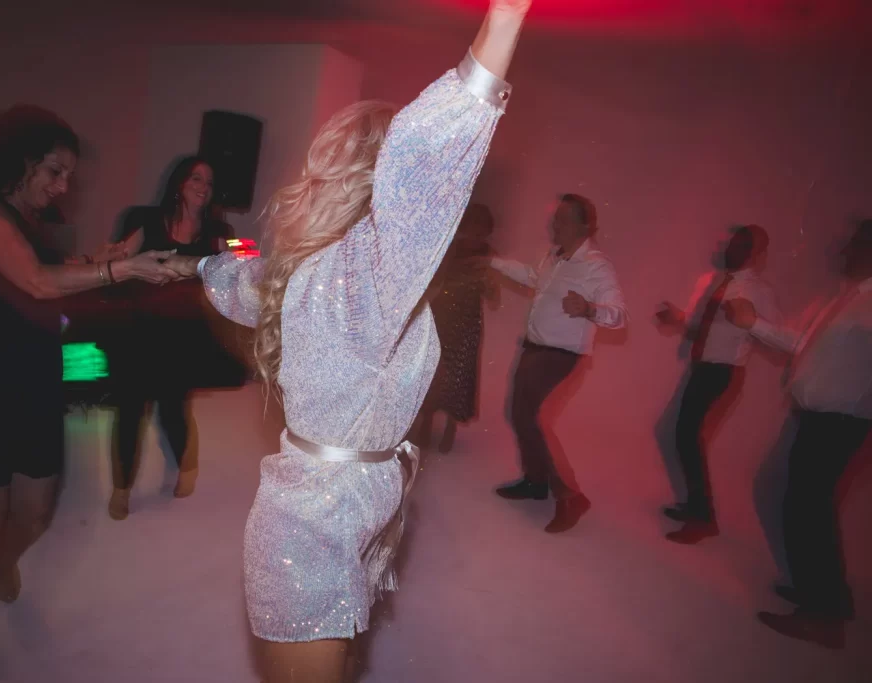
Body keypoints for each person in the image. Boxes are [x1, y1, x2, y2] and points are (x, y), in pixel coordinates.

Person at [164, 2, 531, 679]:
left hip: (354, 511)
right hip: (308, 532)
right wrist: (504, 20)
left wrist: (195, 265)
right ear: (384, 182)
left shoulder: (330, 270)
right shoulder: (363, 273)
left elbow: (237, 279)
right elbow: (425, 160)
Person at [0, 105, 178, 683]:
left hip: (31, 378)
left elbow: (43, 270)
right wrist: (124, 271)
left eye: (68, 176)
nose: (63, 186)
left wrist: (96, 261)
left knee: (34, 511)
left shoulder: (21, 220)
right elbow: (35, 281)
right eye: (54, 172)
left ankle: (4, 559)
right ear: (19, 162)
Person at [725, 220, 872, 649]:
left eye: (856, 244)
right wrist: (753, 323)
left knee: (807, 508)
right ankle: (824, 597)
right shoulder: (854, 298)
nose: (845, 250)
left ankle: (822, 615)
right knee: (802, 503)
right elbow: (802, 343)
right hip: (818, 418)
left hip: (838, 422)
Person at [100, 157, 234, 520]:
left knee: (174, 408)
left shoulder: (216, 231)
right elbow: (121, 258)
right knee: (130, 409)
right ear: (179, 183)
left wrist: (239, 249)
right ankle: (121, 488)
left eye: (209, 182)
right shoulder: (148, 221)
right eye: (196, 178)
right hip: (139, 331)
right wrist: (109, 256)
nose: (204, 187)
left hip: (184, 335)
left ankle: (186, 467)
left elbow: (247, 255)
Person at [491, 194, 628, 532]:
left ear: (585, 226)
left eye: (564, 219)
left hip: (561, 355)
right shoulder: (554, 256)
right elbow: (531, 276)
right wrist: (492, 262)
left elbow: (619, 316)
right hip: (533, 348)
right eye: (556, 217)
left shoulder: (596, 265)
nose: (556, 224)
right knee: (520, 414)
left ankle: (570, 496)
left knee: (533, 418)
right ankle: (536, 482)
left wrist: (590, 309)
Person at [656, 225, 779, 544]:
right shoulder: (718, 283)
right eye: (732, 243)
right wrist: (679, 320)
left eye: (741, 245)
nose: (730, 249)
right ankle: (696, 508)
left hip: (723, 372)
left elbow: (774, 337)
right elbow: (704, 330)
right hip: (703, 368)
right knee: (683, 435)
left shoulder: (758, 291)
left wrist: (750, 322)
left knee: (686, 436)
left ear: (756, 254)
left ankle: (703, 517)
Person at [412, 203, 500, 452]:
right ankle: (427, 420)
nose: (476, 234)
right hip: (442, 315)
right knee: (435, 369)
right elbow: (436, 281)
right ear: (465, 227)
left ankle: (451, 425)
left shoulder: (488, 255)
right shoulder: (451, 248)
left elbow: (494, 299)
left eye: (481, 230)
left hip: (468, 320)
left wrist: (488, 283)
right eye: (472, 227)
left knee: (460, 372)